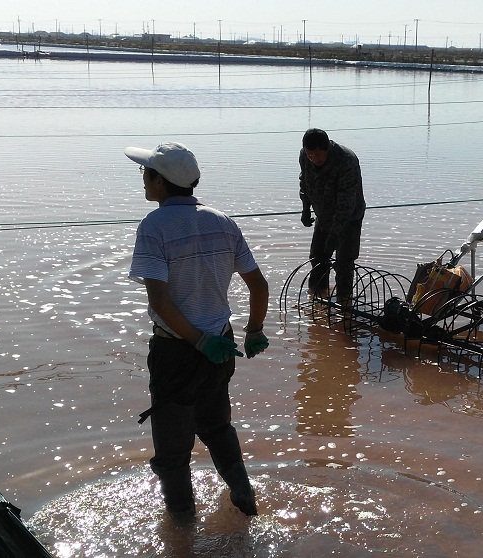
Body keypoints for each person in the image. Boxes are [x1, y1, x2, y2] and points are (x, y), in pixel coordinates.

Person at [125, 141, 269, 517]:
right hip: (222, 345)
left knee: (173, 454)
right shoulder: (222, 221)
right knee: (217, 427)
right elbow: (259, 285)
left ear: (159, 181)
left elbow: (161, 302)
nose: (143, 179)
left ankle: (182, 531)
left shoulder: (154, 226)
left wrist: (199, 341)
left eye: (145, 173)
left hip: (178, 350)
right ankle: (243, 495)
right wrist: (254, 331)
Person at [299, 128, 365, 305]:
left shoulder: (346, 160)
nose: (314, 160)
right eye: (311, 156)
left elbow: (346, 204)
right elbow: (304, 181)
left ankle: (345, 302)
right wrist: (306, 208)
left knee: (344, 262)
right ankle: (317, 299)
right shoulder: (305, 156)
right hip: (323, 213)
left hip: (349, 217)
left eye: (318, 156)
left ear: (327, 148)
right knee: (317, 258)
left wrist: (335, 235)